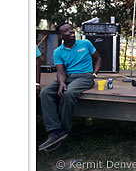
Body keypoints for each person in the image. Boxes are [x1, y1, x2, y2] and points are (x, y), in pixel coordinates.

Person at [39, 23, 102, 151]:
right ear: (60, 36)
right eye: (66, 31)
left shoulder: (85, 43)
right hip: (67, 77)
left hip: (84, 77)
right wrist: (61, 83)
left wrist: (94, 74)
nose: (71, 31)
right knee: (45, 92)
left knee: (68, 93)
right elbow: (60, 72)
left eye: (71, 29)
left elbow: (99, 58)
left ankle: (64, 129)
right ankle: (55, 129)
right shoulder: (58, 51)